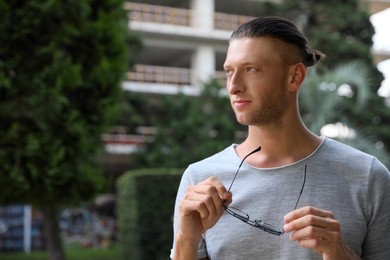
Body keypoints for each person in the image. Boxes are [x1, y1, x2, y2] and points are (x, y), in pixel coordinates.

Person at [170, 16, 390, 260]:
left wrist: (340, 254)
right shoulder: (198, 179)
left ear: (295, 77)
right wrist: (185, 240)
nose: (233, 86)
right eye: (229, 71)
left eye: (251, 69)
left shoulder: (367, 176)